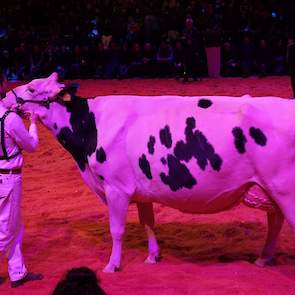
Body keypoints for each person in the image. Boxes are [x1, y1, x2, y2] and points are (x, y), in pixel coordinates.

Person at [0, 82, 43, 288]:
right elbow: (32, 145)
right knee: (6, 231)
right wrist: (33, 122)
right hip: (8, 178)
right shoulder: (10, 119)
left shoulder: (8, 116)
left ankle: (17, 272)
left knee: (14, 226)